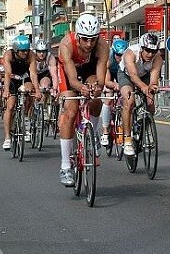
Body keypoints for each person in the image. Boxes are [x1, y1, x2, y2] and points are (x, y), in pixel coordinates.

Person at [57, 13, 109, 186]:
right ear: (78, 36)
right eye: (85, 39)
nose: (89, 44)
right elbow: (72, 80)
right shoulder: (66, 45)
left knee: (97, 97)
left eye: (93, 39)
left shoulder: (102, 46)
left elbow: (100, 78)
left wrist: (96, 88)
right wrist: (81, 88)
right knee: (71, 111)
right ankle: (65, 166)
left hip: (89, 70)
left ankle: (93, 133)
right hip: (68, 72)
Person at [118, 33, 163, 156]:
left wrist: (152, 87)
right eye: (147, 50)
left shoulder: (157, 58)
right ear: (142, 48)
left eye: (153, 51)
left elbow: (154, 76)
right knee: (129, 100)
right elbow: (132, 75)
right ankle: (127, 140)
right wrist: (143, 87)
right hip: (126, 75)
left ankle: (142, 128)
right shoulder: (131, 53)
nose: (150, 54)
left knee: (150, 103)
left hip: (145, 75)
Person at [2, 35, 41, 150]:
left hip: (25, 78)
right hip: (13, 79)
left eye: (27, 50)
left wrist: (37, 90)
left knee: (29, 92)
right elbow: (8, 74)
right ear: (15, 50)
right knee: (10, 106)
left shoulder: (31, 55)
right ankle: (7, 137)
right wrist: (6, 90)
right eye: (22, 51)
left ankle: (25, 117)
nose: (25, 53)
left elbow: (33, 73)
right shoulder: (8, 55)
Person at [100, 39, 128, 147]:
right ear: (114, 53)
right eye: (118, 55)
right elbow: (107, 81)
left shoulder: (129, 59)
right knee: (109, 97)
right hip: (110, 74)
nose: (120, 58)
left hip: (123, 74)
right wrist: (114, 85)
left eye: (123, 55)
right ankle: (105, 131)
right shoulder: (109, 59)